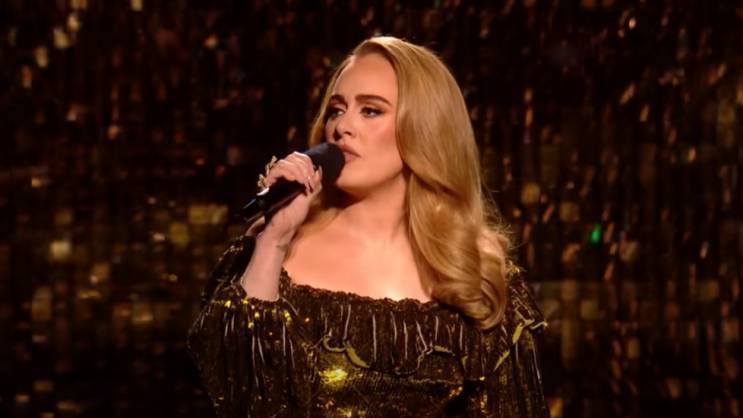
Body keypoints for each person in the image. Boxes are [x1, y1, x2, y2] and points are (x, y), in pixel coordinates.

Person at [188, 36, 549, 417]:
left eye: (371, 111)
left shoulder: (477, 273)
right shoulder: (272, 249)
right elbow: (232, 393)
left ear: (425, 129)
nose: (342, 126)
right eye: (336, 110)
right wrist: (273, 242)